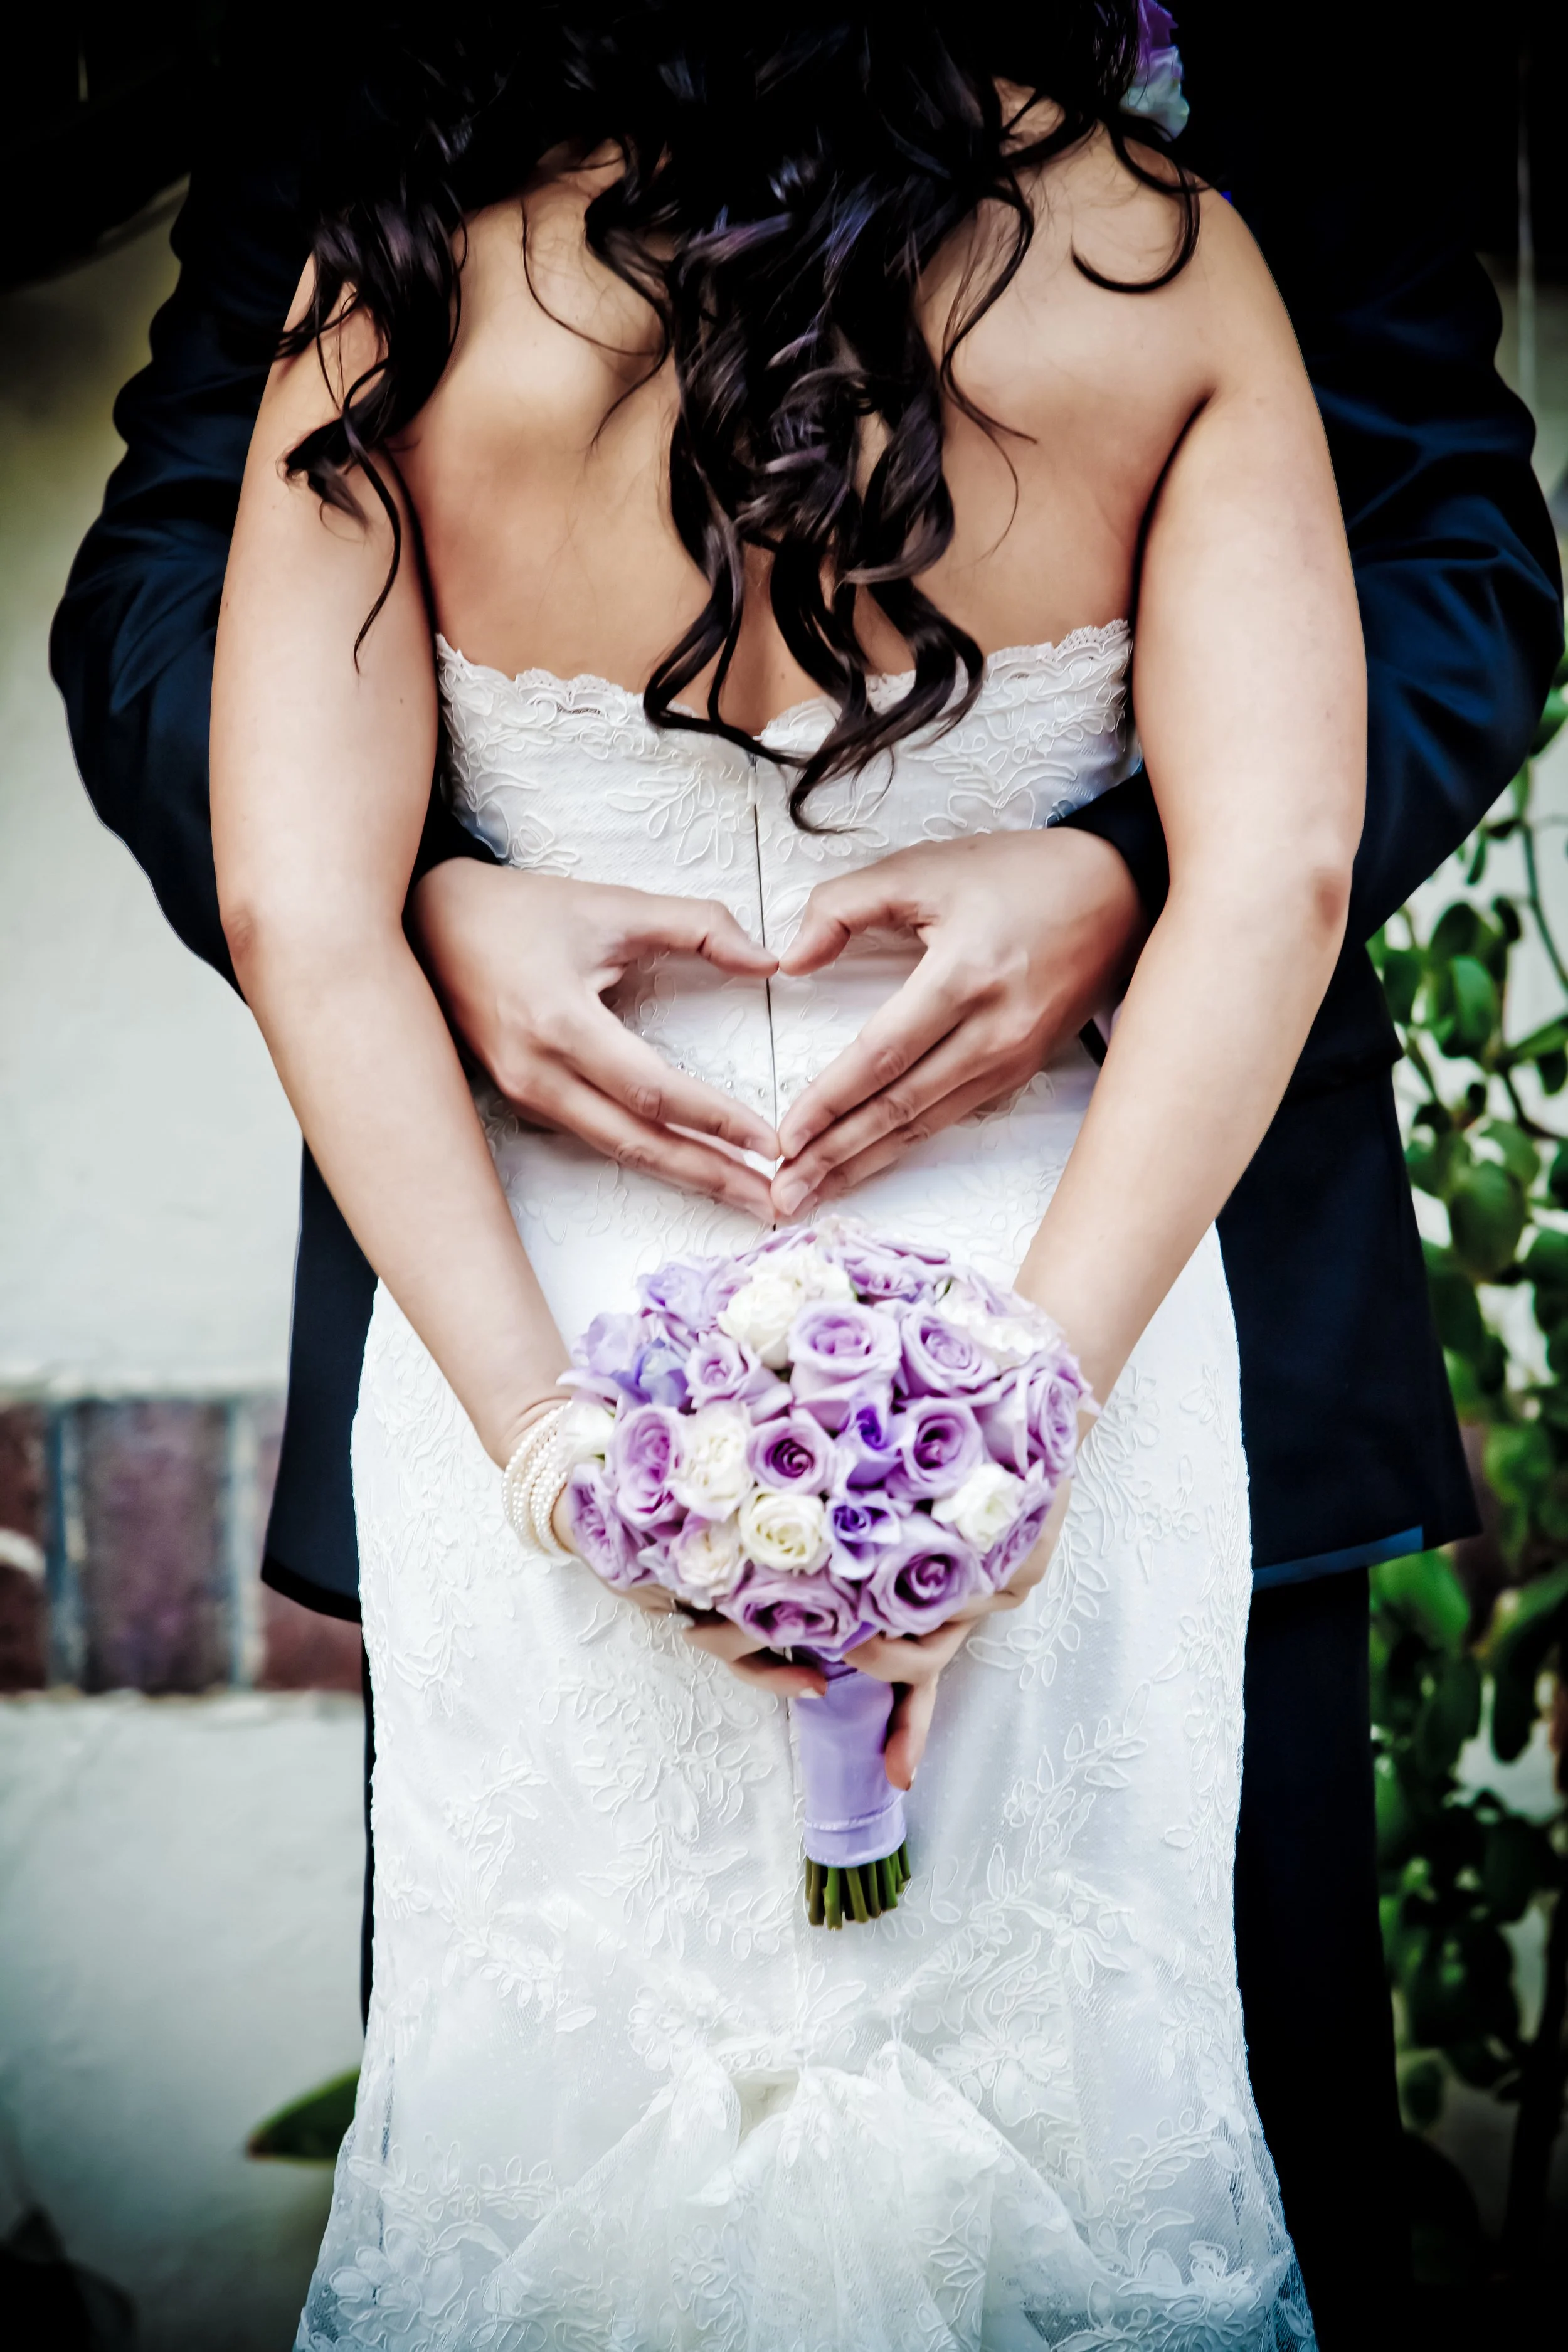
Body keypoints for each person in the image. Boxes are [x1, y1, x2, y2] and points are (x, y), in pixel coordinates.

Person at [48, 4, 1562, 2343]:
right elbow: (1285, 861)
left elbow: (1449, 548)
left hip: (544, 1329)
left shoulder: (407, 272)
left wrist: (573, 1453)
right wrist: (1009, 1430)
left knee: (570, 2175)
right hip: (1079, 1298)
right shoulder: (1164, 261)